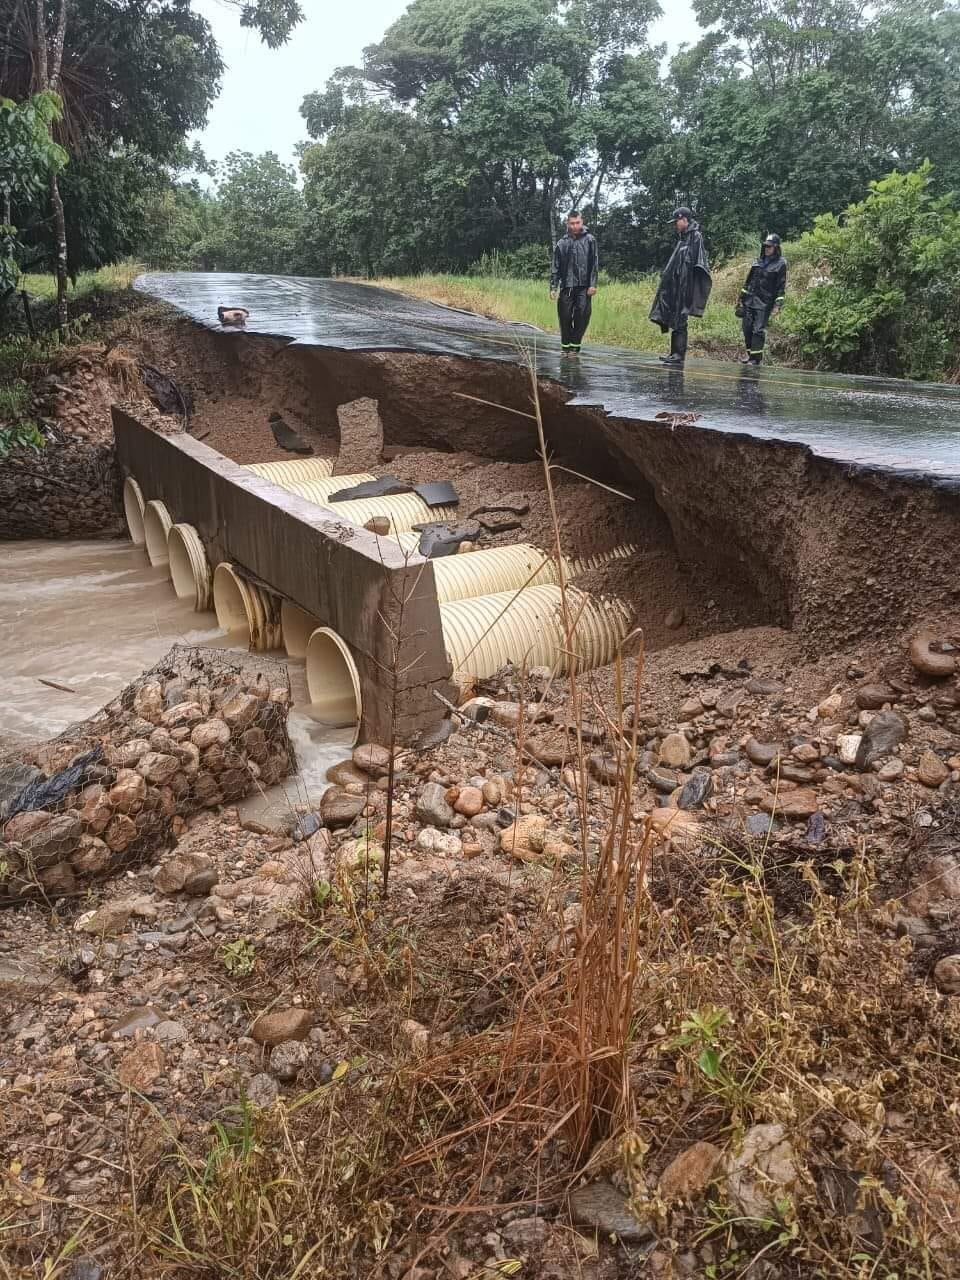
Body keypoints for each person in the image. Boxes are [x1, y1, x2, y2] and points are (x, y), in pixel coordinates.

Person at [649, 206, 712, 366]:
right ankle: (674, 353)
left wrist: (691, 289)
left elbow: (698, 264)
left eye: (676, 221)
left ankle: (678, 354)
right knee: (675, 318)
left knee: (681, 319)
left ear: (684, 219)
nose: (675, 225)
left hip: (686, 287)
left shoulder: (695, 236)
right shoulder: (683, 237)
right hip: (677, 286)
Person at [550, 210, 598, 355]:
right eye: (572, 223)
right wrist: (553, 286)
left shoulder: (590, 240)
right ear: (567, 223)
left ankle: (575, 348)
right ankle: (565, 347)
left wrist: (593, 284)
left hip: (584, 287)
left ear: (582, 222)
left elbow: (594, 263)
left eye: (577, 223)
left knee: (582, 316)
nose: (575, 226)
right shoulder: (562, 243)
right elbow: (555, 266)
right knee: (564, 317)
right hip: (566, 286)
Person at [736, 233, 787, 365]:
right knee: (747, 328)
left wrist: (778, 305)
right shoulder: (757, 262)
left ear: (776, 247)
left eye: (769, 247)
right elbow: (748, 282)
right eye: (765, 246)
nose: (766, 248)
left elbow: (781, 287)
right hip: (750, 300)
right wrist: (741, 299)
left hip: (765, 303)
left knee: (758, 330)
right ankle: (750, 355)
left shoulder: (781, 264)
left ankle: (756, 359)